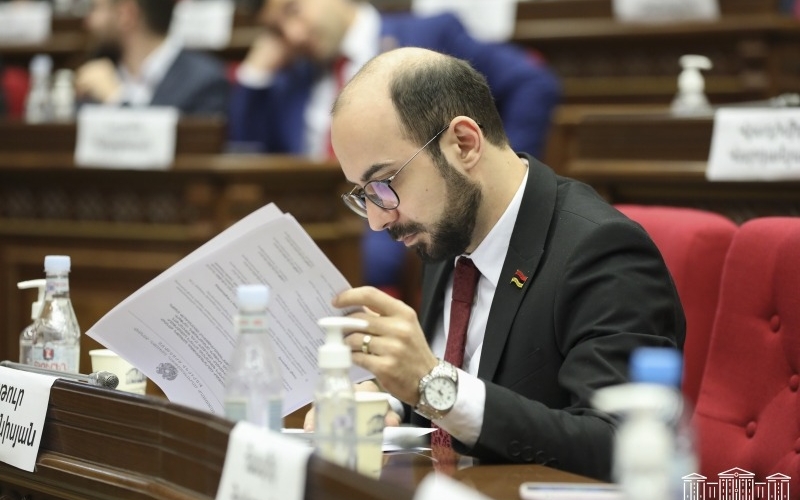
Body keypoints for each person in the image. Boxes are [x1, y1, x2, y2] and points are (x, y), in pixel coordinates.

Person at [317, 47, 685, 481]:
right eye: (364, 195)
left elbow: (619, 445)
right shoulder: (445, 231)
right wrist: (383, 397)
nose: (378, 220)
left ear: (464, 144)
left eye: (383, 183)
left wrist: (433, 385)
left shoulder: (603, 251)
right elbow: (455, 380)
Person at [229, 0, 561, 298]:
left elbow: (533, 83)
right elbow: (246, 156)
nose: (293, 34)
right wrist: (254, 76)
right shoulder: (293, 76)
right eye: (276, 30)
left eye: (293, 10)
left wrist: (497, 171)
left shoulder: (429, 35)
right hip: (324, 222)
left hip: (399, 219)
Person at [75, 0, 229, 116]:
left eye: (95, 8)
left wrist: (117, 101)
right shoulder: (95, 78)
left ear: (126, 14)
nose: (88, 22)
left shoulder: (203, 82)